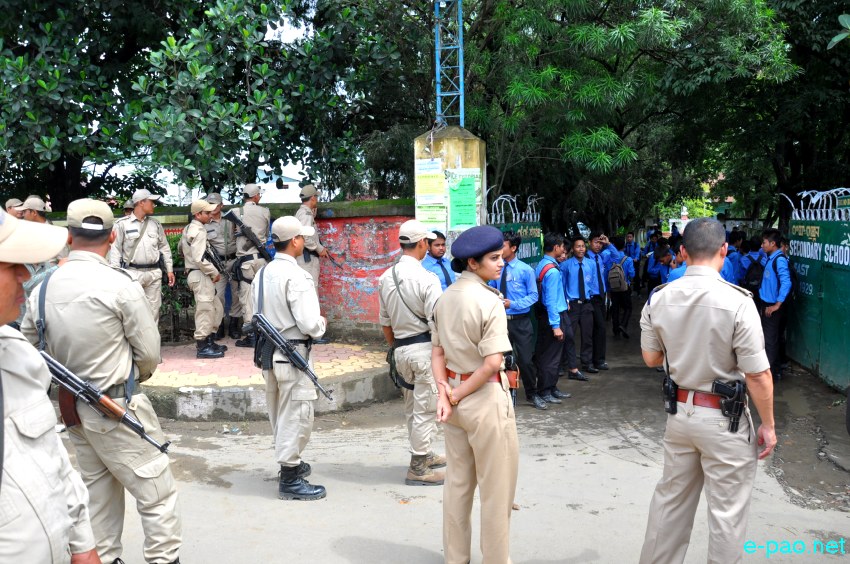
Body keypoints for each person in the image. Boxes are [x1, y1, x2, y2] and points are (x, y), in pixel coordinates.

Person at [22, 199, 182, 564]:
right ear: (112, 236)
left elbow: (30, 350)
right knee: (156, 492)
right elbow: (149, 354)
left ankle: (106, 558)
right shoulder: (119, 284)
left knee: (98, 493)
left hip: (71, 411)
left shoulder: (43, 289)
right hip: (116, 407)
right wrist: (129, 378)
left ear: (68, 236)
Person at [637, 217, 776, 564]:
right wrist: (768, 425)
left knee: (669, 505)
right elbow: (758, 376)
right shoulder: (739, 302)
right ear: (724, 250)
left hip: (680, 415)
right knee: (727, 515)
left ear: (682, 252)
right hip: (725, 421)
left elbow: (652, 358)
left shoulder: (659, 299)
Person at [0, 208, 101, 564]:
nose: (25, 274)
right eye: (10, 264)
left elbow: (53, 460)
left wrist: (82, 543)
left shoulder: (17, 356)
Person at [432, 225, 519, 564]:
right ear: (472, 263)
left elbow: (437, 353)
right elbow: (492, 364)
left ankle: (456, 559)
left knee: (457, 486)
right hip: (483, 398)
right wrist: (453, 395)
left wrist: (446, 394)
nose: (501, 263)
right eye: (494, 258)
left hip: (454, 395)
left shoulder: (445, 298)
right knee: (496, 493)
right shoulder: (489, 301)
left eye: (501, 256)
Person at [254, 216, 328, 500]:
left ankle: (291, 462)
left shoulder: (262, 273)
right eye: (302, 238)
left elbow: (254, 312)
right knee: (297, 414)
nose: (304, 242)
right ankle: (289, 477)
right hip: (293, 352)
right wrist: (322, 324)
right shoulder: (297, 275)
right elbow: (310, 323)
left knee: (278, 412)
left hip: (268, 353)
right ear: (295, 241)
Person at [378, 220, 446, 485]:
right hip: (424, 350)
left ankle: (425, 454)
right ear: (422, 244)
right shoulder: (427, 278)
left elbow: (385, 322)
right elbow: (437, 320)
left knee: (412, 408)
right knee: (426, 410)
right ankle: (418, 467)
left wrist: (396, 349)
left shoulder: (385, 277)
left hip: (401, 350)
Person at [488, 230, 542, 409]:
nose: (499, 249)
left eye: (503, 246)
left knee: (525, 360)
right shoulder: (497, 268)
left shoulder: (525, 270)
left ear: (513, 247)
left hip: (521, 321)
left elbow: (534, 296)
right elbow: (491, 288)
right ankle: (501, 396)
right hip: (500, 321)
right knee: (500, 359)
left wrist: (513, 304)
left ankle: (532, 394)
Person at [109, 188, 175, 323]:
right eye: (151, 202)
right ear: (141, 203)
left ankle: (152, 343)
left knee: (154, 312)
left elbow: (164, 247)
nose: (154, 205)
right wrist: (115, 275)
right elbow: (115, 250)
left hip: (153, 273)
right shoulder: (122, 224)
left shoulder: (155, 224)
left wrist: (169, 270)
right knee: (133, 311)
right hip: (132, 274)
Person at [180, 199, 226, 359]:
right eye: (207, 212)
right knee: (205, 311)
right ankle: (202, 346)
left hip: (197, 273)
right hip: (200, 274)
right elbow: (199, 258)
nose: (210, 215)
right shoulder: (198, 231)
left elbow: (181, 248)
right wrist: (214, 272)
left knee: (216, 308)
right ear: (198, 214)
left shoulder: (188, 228)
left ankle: (210, 340)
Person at [533, 233, 572, 404]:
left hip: (549, 315)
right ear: (556, 247)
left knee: (552, 354)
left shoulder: (542, 264)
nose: (564, 250)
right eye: (562, 247)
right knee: (551, 356)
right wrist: (556, 325)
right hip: (553, 317)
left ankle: (551, 387)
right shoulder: (552, 271)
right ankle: (545, 390)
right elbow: (550, 300)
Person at [233, 183, 271, 348]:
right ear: (256, 196)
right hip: (261, 259)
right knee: (262, 296)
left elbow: (232, 236)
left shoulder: (236, 212)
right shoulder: (265, 211)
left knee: (247, 297)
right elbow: (267, 234)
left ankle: (251, 334)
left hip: (246, 260)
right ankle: (263, 332)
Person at [205, 193, 242, 339]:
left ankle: (234, 324)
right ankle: (218, 325)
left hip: (233, 261)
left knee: (237, 294)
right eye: (210, 204)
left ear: (221, 205)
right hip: (216, 264)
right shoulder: (204, 222)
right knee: (218, 296)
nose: (213, 207)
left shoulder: (230, 220)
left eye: (216, 204)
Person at [759, 228, 792, 382]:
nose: (762, 245)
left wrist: (777, 304)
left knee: (770, 340)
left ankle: (769, 375)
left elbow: (786, 282)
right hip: (767, 303)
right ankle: (775, 371)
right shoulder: (772, 257)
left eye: (764, 242)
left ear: (772, 243)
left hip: (772, 306)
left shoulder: (779, 260)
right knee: (772, 338)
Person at [560, 237, 594, 381]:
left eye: (583, 246)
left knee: (587, 335)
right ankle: (565, 364)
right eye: (578, 246)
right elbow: (562, 285)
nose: (581, 249)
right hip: (572, 305)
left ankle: (586, 363)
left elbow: (592, 282)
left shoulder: (590, 264)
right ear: (572, 249)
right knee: (569, 336)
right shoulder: (566, 265)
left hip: (586, 303)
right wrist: (565, 301)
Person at [586, 232, 615, 371]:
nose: (598, 245)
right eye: (595, 242)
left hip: (601, 297)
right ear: (589, 242)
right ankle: (593, 360)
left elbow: (617, 257)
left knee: (600, 328)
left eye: (600, 243)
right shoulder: (585, 258)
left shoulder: (602, 257)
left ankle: (598, 359)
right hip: (590, 297)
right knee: (593, 329)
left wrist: (608, 244)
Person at [295, 184, 327, 292]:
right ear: (313, 198)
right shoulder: (306, 214)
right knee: (310, 291)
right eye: (316, 197)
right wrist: (320, 249)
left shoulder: (302, 213)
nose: (317, 200)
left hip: (303, 258)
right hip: (307, 260)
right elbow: (305, 237)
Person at [609, 236, 635, 338]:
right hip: (624, 287)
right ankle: (623, 325)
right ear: (624, 247)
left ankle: (615, 330)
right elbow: (632, 274)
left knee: (615, 308)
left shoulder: (610, 258)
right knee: (628, 308)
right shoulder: (628, 259)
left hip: (613, 287)